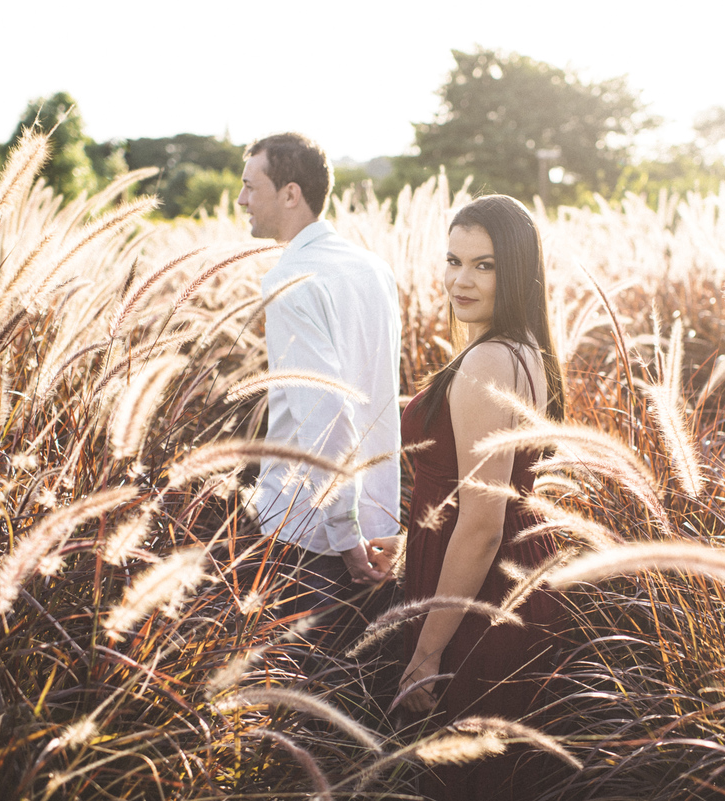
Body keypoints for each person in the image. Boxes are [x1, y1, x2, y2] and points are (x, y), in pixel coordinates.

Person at [368, 195, 567, 800]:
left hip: (475, 598)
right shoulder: (526, 349)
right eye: (454, 260)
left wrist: (428, 652)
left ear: (516, 271)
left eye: (484, 265)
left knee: (464, 776)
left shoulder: (486, 360)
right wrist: (407, 547)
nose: (461, 279)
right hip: (509, 578)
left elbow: (480, 520)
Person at [237, 132, 401, 621]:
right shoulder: (374, 268)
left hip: (312, 532)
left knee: (301, 682)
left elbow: (326, 415)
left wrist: (344, 535)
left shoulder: (289, 280)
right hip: (378, 517)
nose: (242, 199)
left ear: (291, 194)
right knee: (357, 679)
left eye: (250, 186)